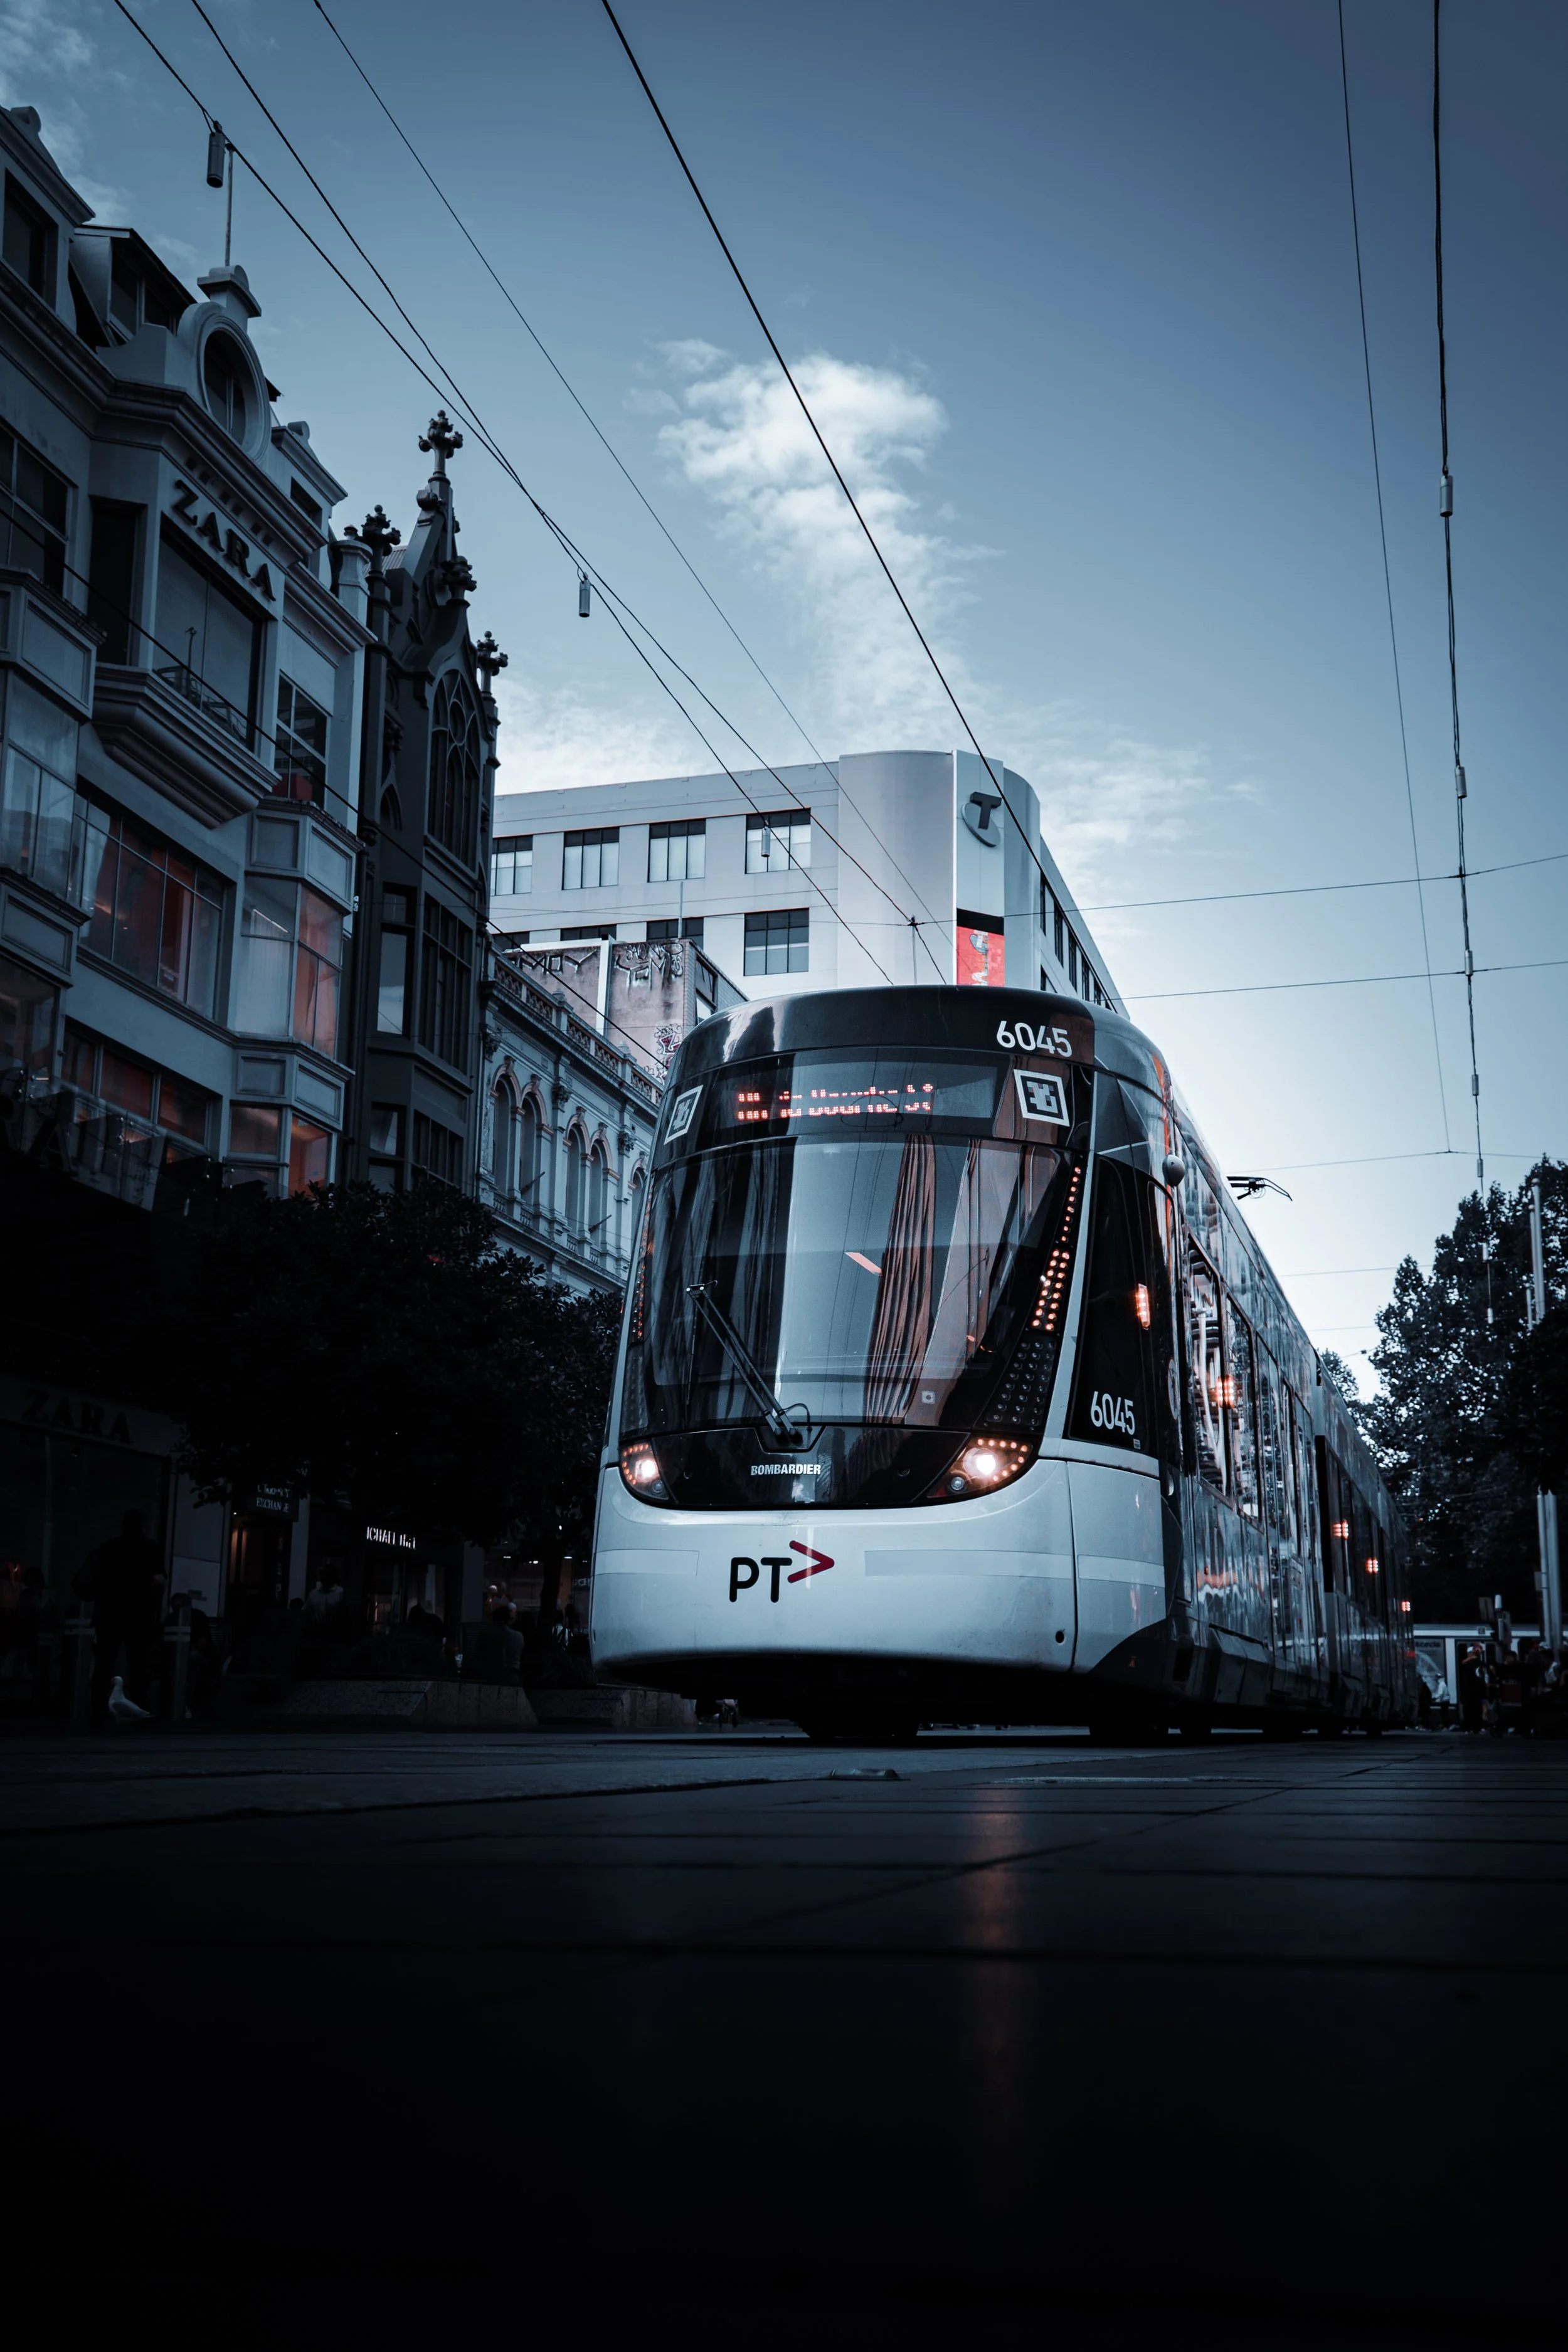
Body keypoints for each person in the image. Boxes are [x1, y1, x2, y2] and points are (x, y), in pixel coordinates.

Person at [78, 1510, 165, 1720]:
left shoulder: (109, 1548)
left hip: (109, 1613)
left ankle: (99, 1705)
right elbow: (158, 1580)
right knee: (139, 1663)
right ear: (143, 1526)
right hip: (138, 1614)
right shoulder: (150, 1549)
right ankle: (139, 1704)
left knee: (105, 1662)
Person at [1457, 1644, 1485, 1734]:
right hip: (1468, 1691)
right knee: (1468, 1710)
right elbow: (1463, 1663)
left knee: (1476, 1710)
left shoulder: (1479, 1663)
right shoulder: (1466, 1663)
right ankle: (1468, 1728)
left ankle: (1476, 1728)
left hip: (1476, 1691)